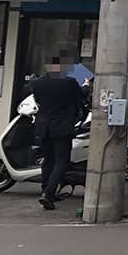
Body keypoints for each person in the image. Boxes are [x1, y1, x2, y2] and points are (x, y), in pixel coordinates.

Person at [31, 54, 86, 210]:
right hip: (62, 127)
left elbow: (39, 101)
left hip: (44, 127)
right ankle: (48, 193)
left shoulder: (38, 82)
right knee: (62, 161)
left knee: (48, 160)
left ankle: (46, 189)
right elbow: (80, 96)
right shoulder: (69, 82)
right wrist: (87, 86)